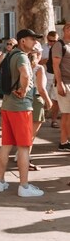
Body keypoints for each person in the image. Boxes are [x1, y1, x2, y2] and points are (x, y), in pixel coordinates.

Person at [0, 29, 44, 197]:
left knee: (6, 145)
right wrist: (24, 90)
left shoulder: (10, 55)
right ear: (23, 41)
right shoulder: (22, 56)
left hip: (7, 105)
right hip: (21, 107)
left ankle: (0, 182)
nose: (35, 42)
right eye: (32, 39)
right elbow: (25, 74)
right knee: (23, 147)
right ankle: (24, 186)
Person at [26, 46, 52, 171]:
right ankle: (26, 159)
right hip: (36, 100)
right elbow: (41, 88)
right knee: (31, 134)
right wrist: (48, 101)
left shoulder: (23, 66)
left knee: (25, 131)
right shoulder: (38, 68)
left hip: (23, 100)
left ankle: (21, 156)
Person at [51, 22, 70, 151]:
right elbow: (55, 65)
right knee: (67, 114)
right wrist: (60, 84)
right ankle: (64, 141)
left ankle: (64, 142)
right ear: (66, 30)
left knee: (68, 115)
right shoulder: (60, 45)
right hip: (64, 83)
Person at [40, 30, 60, 128]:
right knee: (41, 99)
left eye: (54, 41)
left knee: (56, 100)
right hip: (45, 76)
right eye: (50, 40)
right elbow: (36, 61)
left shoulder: (61, 48)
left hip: (57, 77)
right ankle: (39, 118)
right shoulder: (42, 48)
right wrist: (43, 61)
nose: (51, 43)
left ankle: (54, 120)